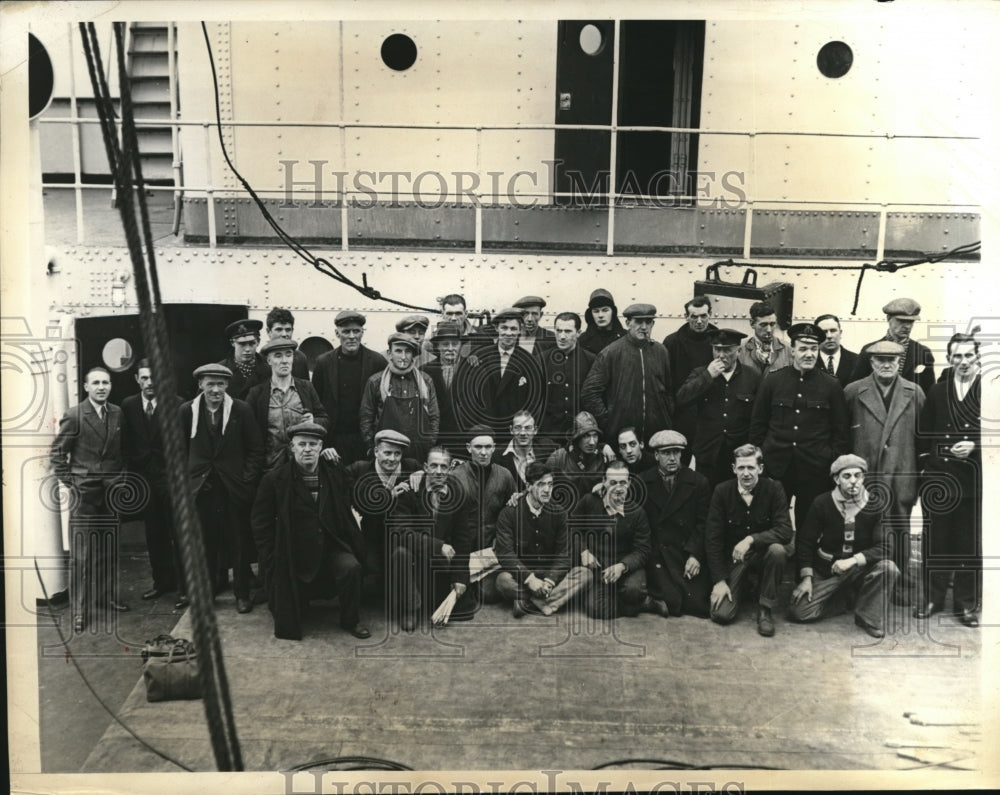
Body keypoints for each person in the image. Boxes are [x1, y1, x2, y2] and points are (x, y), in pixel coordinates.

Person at [251, 422, 371, 641]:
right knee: (290, 612)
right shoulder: (275, 480)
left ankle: (351, 620)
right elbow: (261, 524)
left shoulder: (333, 473)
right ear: (292, 448)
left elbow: (352, 491)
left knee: (351, 567)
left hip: (331, 546)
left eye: (313, 444)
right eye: (302, 444)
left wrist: (337, 461)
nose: (307, 449)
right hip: (292, 550)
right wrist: (271, 558)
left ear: (321, 447)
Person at [843, 340, 925, 604]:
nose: (887, 364)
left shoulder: (915, 393)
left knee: (900, 529)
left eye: (892, 359)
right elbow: (842, 436)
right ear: (871, 362)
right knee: (862, 529)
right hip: (864, 476)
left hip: (902, 474)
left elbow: (922, 439)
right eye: (881, 359)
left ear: (900, 362)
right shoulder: (853, 392)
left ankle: (899, 583)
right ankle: (861, 584)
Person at [180, 363, 264, 614]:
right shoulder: (187, 411)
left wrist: (245, 479)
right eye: (210, 384)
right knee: (205, 544)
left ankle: (242, 594)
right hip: (201, 489)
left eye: (220, 384)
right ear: (200, 385)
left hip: (233, 488)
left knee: (239, 542)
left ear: (227, 385)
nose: (215, 389)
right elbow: (179, 450)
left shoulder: (241, 410)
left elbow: (255, 449)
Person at [749, 323, 849, 531]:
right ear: (792, 350)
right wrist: (762, 458)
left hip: (815, 469)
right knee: (771, 523)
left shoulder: (831, 385)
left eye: (813, 348)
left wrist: (830, 459)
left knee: (809, 526)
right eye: (803, 348)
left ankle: (804, 554)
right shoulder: (773, 381)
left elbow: (840, 430)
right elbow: (758, 424)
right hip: (776, 467)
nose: (809, 354)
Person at [50, 367, 128, 632]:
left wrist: (119, 478)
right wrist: (72, 483)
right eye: (95, 383)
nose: (101, 387)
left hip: (110, 492)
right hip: (84, 495)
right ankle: (79, 611)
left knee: (108, 549)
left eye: (105, 382)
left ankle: (106, 598)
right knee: (81, 555)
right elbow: (57, 454)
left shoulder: (117, 412)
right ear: (86, 387)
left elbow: (120, 451)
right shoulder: (75, 415)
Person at [789, 455, 899, 639]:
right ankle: (845, 599)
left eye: (858, 475)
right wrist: (806, 578)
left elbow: (886, 547)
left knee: (889, 568)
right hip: (828, 571)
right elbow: (805, 542)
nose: (853, 481)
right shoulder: (822, 502)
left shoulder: (876, 504)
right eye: (847, 476)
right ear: (836, 479)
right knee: (799, 612)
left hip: (859, 570)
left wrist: (853, 561)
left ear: (863, 478)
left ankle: (867, 617)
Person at [914, 332, 981, 627]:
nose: (963, 361)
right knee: (936, 542)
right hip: (938, 480)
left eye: (968, 355)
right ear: (950, 359)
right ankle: (933, 598)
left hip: (973, 482)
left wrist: (976, 446)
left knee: (968, 544)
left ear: (977, 357)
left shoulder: (991, 391)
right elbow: (923, 434)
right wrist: (925, 472)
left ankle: (966, 604)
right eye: (958, 356)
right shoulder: (938, 392)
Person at [705, 444, 793, 637]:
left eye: (751, 467)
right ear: (733, 469)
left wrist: (751, 539)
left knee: (777, 551)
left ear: (760, 468)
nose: (746, 473)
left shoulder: (774, 488)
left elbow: (786, 531)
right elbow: (713, 539)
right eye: (741, 468)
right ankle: (745, 586)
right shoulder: (722, 491)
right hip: (735, 560)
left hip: (763, 556)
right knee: (721, 614)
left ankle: (765, 609)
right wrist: (719, 581)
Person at [389, 446, 478, 632]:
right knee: (400, 553)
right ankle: (410, 607)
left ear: (450, 469)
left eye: (443, 466)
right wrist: (438, 546)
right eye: (434, 465)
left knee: (464, 611)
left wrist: (460, 578)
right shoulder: (409, 490)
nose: (438, 471)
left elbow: (463, 540)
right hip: (415, 562)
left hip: (440, 564)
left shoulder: (458, 494)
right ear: (425, 467)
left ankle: (432, 596)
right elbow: (400, 532)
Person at [121, 359, 185, 603]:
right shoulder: (128, 405)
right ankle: (162, 582)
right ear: (137, 379)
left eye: (154, 377)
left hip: (171, 480)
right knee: (154, 534)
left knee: (178, 534)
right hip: (144, 481)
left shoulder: (177, 404)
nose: (150, 383)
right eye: (145, 378)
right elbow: (126, 443)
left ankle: (185, 588)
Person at [493, 462, 592, 617]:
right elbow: (505, 553)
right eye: (541, 484)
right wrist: (529, 579)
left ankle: (528, 603)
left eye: (550, 484)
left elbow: (564, 554)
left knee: (585, 574)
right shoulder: (509, 513)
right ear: (528, 486)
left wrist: (550, 580)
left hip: (551, 573)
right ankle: (550, 600)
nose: (547, 490)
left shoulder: (560, 513)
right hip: (523, 574)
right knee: (502, 581)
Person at [639, 430, 713, 618]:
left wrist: (695, 555)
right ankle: (652, 600)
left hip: (686, 552)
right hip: (658, 554)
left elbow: (704, 524)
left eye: (676, 452)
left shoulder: (698, 482)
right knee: (672, 601)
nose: (672, 458)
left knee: (700, 606)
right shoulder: (642, 482)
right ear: (656, 455)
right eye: (666, 453)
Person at [676, 328, 761, 489]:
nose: (721, 355)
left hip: (739, 455)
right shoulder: (701, 373)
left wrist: (753, 448)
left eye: (727, 350)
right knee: (707, 497)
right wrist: (708, 376)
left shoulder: (752, 376)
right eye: (717, 349)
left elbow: (758, 417)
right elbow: (681, 399)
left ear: (738, 351)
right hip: (708, 454)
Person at [581, 302, 674, 443]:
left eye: (648, 322)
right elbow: (589, 393)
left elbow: (668, 391)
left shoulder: (661, 351)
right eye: (638, 322)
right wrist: (609, 422)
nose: (644, 327)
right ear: (628, 323)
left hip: (655, 435)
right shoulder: (611, 352)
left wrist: (665, 418)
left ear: (653, 324)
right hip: (623, 438)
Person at [452, 306, 545, 445]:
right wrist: (476, 431)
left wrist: (521, 431)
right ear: (497, 329)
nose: (509, 333)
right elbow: (464, 398)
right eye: (504, 328)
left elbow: (535, 402)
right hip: (483, 437)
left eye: (513, 329)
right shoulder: (479, 357)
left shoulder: (529, 362)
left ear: (520, 330)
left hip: (513, 437)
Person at [572, 461, 652, 619]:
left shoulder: (637, 513)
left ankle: (638, 599)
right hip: (598, 569)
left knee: (633, 591)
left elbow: (643, 549)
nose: (618, 488)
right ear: (604, 481)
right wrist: (583, 551)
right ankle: (643, 604)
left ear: (629, 483)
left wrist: (622, 566)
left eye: (623, 482)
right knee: (596, 609)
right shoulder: (589, 502)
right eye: (613, 483)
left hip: (626, 569)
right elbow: (572, 529)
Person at [344, 429, 422, 582]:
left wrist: (423, 473)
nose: (392, 459)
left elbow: (435, 471)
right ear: (376, 452)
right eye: (387, 453)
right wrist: (389, 496)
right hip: (370, 537)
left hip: (401, 538)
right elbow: (338, 479)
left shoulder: (411, 466)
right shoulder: (359, 470)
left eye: (397, 454)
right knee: (372, 575)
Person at [311, 310, 388, 465]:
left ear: (362, 332)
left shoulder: (377, 362)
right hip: (333, 440)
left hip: (366, 441)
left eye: (356, 331)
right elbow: (316, 405)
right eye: (346, 332)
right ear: (337, 333)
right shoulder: (323, 363)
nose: (352, 336)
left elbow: (384, 406)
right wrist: (323, 443)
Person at [246, 338, 330, 471]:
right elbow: (248, 433)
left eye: (288, 355)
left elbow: (324, 419)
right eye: (278, 356)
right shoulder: (256, 393)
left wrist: (314, 421)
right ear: (269, 360)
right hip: (270, 468)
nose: (284, 360)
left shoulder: (306, 387)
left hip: (302, 467)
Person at [360, 332, 440, 462]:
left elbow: (434, 416)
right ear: (390, 353)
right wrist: (372, 446)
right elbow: (366, 418)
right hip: (387, 454)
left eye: (407, 351)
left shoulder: (425, 381)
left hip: (418, 453)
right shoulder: (375, 382)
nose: (403, 357)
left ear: (413, 355)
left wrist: (428, 444)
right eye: (398, 351)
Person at [849, 298, 935, 394]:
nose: (907, 326)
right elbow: (856, 387)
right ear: (888, 318)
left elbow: (929, 392)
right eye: (901, 321)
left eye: (911, 322)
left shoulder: (922, 352)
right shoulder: (869, 350)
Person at [540, 311, 596, 440]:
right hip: (549, 434)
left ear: (578, 333)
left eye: (568, 331)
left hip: (580, 435)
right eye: (558, 331)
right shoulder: (542, 360)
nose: (562, 336)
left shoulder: (590, 360)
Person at [421, 321, 464, 454]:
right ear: (438, 346)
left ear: (461, 345)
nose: (450, 348)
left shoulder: (474, 369)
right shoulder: (425, 371)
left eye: (455, 344)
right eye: (445, 344)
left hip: (463, 441)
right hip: (435, 439)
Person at [661, 295, 718, 393]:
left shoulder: (720, 341)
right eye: (694, 317)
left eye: (703, 316)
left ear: (710, 315)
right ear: (686, 317)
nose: (699, 321)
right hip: (682, 400)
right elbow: (665, 379)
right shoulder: (671, 342)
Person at [547, 411, 608, 500]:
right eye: (586, 436)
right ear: (577, 437)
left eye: (595, 436)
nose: (592, 442)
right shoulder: (559, 457)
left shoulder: (603, 456)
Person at [497, 410, 560, 489]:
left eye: (528, 428)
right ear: (511, 430)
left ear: (535, 430)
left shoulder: (548, 447)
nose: (523, 433)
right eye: (518, 428)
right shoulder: (497, 455)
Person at [218, 318, 271, 400]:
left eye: (252, 343)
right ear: (232, 343)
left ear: (258, 342)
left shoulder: (269, 369)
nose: (247, 349)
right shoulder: (220, 370)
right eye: (242, 344)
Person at [737, 301, 792, 377]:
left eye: (772, 324)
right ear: (752, 323)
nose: (769, 330)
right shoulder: (740, 350)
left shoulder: (788, 350)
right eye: (763, 325)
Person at [813, 313, 858, 388]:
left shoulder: (856, 361)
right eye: (824, 332)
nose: (829, 336)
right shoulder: (809, 361)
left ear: (840, 333)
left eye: (833, 331)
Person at [578, 288, 626, 355]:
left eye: (605, 310)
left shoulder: (625, 337)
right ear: (591, 314)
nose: (600, 315)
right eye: (596, 311)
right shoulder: (583, 340)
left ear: (613, 312)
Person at [265, 307, 310, 379]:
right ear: (268, 331)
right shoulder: (260, 360)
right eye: (279, 329)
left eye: (288, 330)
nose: (284, 334)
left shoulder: (300, 358)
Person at [512, 295, 556, 363]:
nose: (530, 319)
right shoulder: (510, 336)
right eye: (526, 313)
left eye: (534, 314)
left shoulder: (551, 339)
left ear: (541, 315)